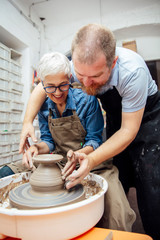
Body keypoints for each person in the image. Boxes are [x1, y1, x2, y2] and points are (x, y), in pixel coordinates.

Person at [0, 51, 136, 231]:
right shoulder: (43, 105)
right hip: (59, 162)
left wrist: (80, 154)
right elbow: (48, 141)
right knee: (6, 173)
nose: (57, 93)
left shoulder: (87, 100)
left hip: (93, 162)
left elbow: (94, 141)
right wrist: (36, 148)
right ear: (42, 83)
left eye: (62, 85)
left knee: (117, 212)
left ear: (69, 78)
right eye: (50, 87)